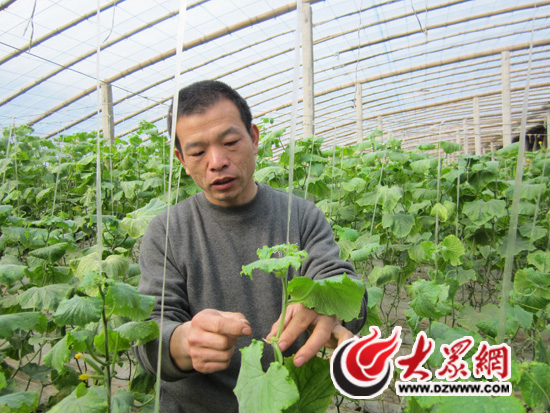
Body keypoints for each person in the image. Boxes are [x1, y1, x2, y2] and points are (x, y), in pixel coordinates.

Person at [134, 80, 367, 412]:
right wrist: (182, 342)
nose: (217, 161)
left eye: (230, 142)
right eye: (198, 152)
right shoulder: (167, 231)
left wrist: (328, 304)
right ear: (181, 159)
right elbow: (149, 334)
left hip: (287, 405)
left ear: (254, 138)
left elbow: (344, 285)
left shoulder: (301, 216)